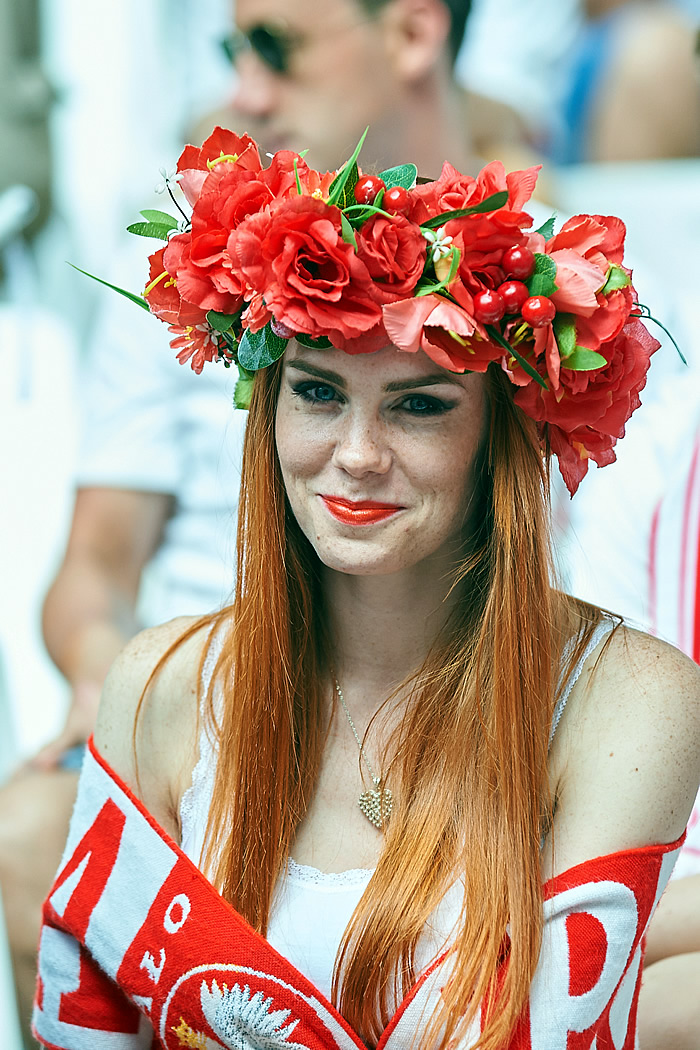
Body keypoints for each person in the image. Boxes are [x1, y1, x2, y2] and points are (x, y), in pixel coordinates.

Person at [32, 127, 700, 1049]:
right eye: (316, 393)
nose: (354, 454)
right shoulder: (159, 686)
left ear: (503, 441)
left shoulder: (630, 700)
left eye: (418, 405)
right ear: (268, 410)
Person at [0, 3, 481, 1042]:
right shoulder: (187, 254)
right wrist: (111, 686)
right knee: (39, 826)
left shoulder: (543, 280)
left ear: (411, 32)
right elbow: (91, 567)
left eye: (278, 47)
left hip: (447, 713)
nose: (245, 94)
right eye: (233, 52)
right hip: (194, 704)